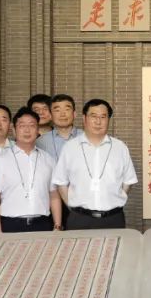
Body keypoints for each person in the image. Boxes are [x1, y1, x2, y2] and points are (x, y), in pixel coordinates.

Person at [52, 98, 138, 230]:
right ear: (84, 118)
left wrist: (116, 197)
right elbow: (61, 182)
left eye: (103, 117)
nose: (98, 121)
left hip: (113, 218)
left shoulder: (120, 147)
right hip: (79, 219)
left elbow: (128, 181)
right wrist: (72, 204)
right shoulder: (70, 147)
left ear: (108, 120)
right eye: (93, 116)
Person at [0, 108, 62, 233]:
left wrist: (57, 226)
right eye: (22, 126)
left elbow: (54, 195)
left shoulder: (48, 159)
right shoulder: (0, 160)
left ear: (37, 130)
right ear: (14, 130)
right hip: (10, 225)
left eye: (32, 126)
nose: (27, 130)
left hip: (42, 224)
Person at [36, 93, 84, 159]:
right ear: (50, 116)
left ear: (74, 114)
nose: (62, 114)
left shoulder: (86, 137)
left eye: (67, 109)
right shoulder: (41, 141)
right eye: (57, 110)